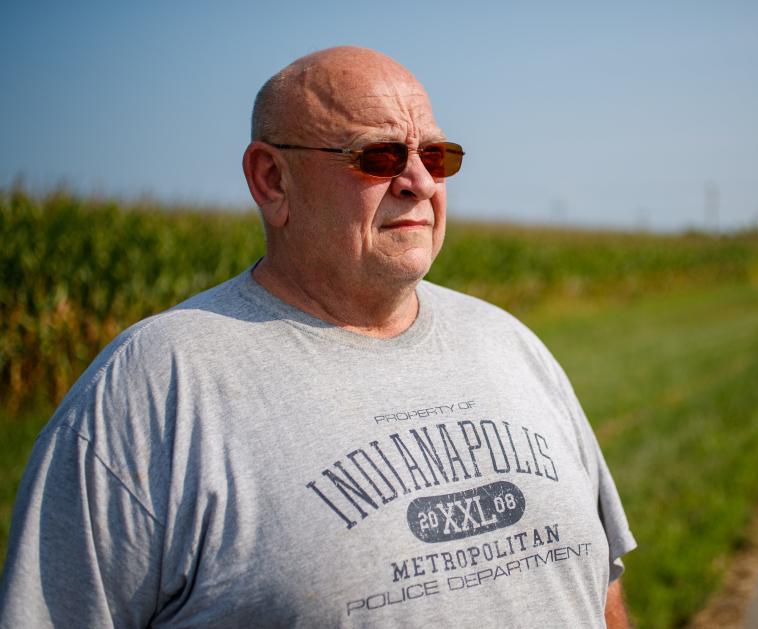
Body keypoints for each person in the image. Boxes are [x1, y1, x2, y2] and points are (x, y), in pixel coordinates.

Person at [0, 46, 636, 627]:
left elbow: (602, 590)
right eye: (379, 157)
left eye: (436, 157)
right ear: (272, 181)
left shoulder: (512, 344)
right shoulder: (153, 387)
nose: (419, 181)